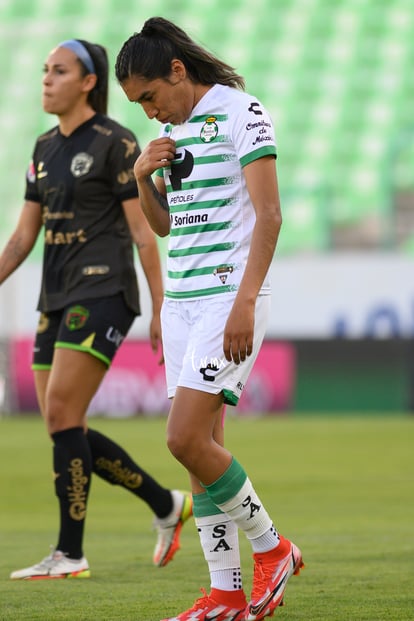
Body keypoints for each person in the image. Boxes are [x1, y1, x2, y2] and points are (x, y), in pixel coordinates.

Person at [115, 16, 304, 621]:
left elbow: (269, 216)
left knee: (183, 438)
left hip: (229, 300)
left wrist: (247, 299)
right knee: (201, 451)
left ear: (177, 72)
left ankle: (274, 550)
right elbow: (167, 226)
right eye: (137, 104)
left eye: (149, 96)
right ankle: (225, 593)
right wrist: (144, 177)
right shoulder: (166, 140)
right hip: (183, 304)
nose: (149, 112)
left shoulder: (240, 111)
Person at [0, 38, 193, 581]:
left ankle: (70, 553)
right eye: (44, 71)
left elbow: (144, 233)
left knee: (62, 414)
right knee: (64, 425)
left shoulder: (116, 141)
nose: (46, 79)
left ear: (88, 82)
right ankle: (166, 505)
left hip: (103, 290)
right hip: (54, 293)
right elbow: (21, 239)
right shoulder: (42, 147)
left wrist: (160, 306)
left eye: (58, 71)